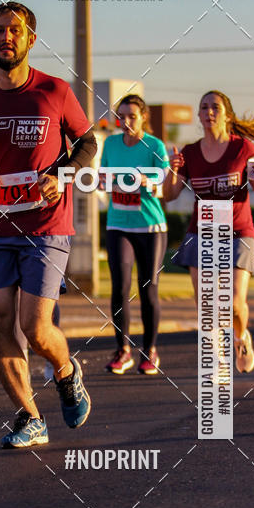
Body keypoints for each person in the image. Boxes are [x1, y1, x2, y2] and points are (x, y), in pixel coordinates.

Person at [0, 1, 97, 448]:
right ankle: (29, 416)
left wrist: (62, 175)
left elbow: (87, 143)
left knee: (34, 326)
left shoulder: (54, 91)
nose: (5, 37)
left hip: (47, 225)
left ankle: (67, 372)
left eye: (14, 30)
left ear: (31, 39)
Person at [163, 89, 254, 373]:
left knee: (235, 303)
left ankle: (241, 337)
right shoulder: (188, 152)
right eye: (203, 107)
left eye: (215, 107)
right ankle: (217, 352)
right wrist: (172, 171)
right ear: (199, 116)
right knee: (206, 301)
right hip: (200, 232)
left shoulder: (243, 149)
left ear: (227, 115)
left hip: (238, 231)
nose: (209, 111)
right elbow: (169, 196)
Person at [101, 95, 169, 376]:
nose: (126, 122)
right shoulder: (111, 143)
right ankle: (123, 350)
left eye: (132, 116)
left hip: (150, 226)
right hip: (118, 224)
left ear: (143, 118)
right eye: (122, 116)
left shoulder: (154, 145)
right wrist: (104, 181)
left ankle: (149, 350)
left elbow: (164, 177)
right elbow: (102, 175)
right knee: (119, 287)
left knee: (147, 289)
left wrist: (148, 180)